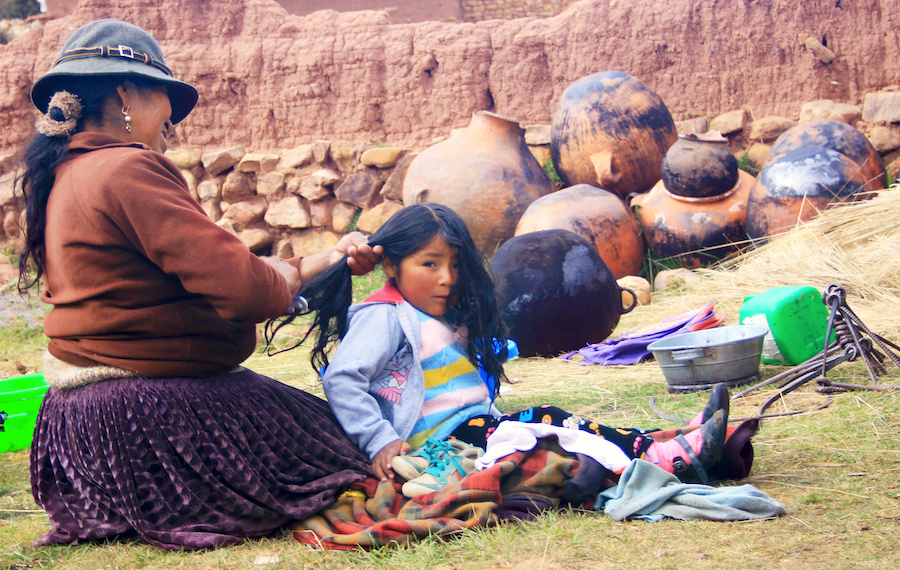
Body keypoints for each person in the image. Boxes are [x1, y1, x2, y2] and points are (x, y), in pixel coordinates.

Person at [18, 19, 385, 551]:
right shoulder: (128, 169)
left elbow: (211, 272)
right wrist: (285, 275)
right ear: (126, 93)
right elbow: (247, 290)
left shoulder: (65, 174)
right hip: (151, 418)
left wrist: (325, 260)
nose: (171, 119)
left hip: (81, 430)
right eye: (164, 97)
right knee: (347, 455)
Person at [271, 203, 731, 496]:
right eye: (429, 264)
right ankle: (658, 455)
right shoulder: (384, 316)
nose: (447, 278)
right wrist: (380, 441)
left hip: (473, 428)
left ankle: (664, 443)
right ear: (391, 265)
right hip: (441, 445)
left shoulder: (436, 316)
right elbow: (342, 378)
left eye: (454, 265)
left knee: (555, 427)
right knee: (551, 421)